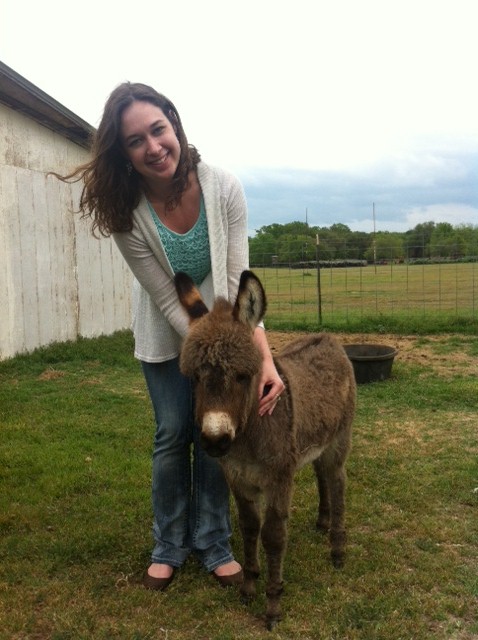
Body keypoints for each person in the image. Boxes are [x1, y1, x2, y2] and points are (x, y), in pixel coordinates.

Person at [56, 82, 285, 591]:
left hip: (226, 336)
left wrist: (259, 359)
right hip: (169, 335)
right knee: (173, 432)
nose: (153, 146)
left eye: (158, 130)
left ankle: (213, 541)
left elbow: (238, 285)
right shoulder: (125, 215)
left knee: (216, 434)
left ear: (175, 125)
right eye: (135, 141)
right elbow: (165, 296)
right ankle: (169, 543)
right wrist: (205, 352)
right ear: (124, 154)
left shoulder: (224, 187)